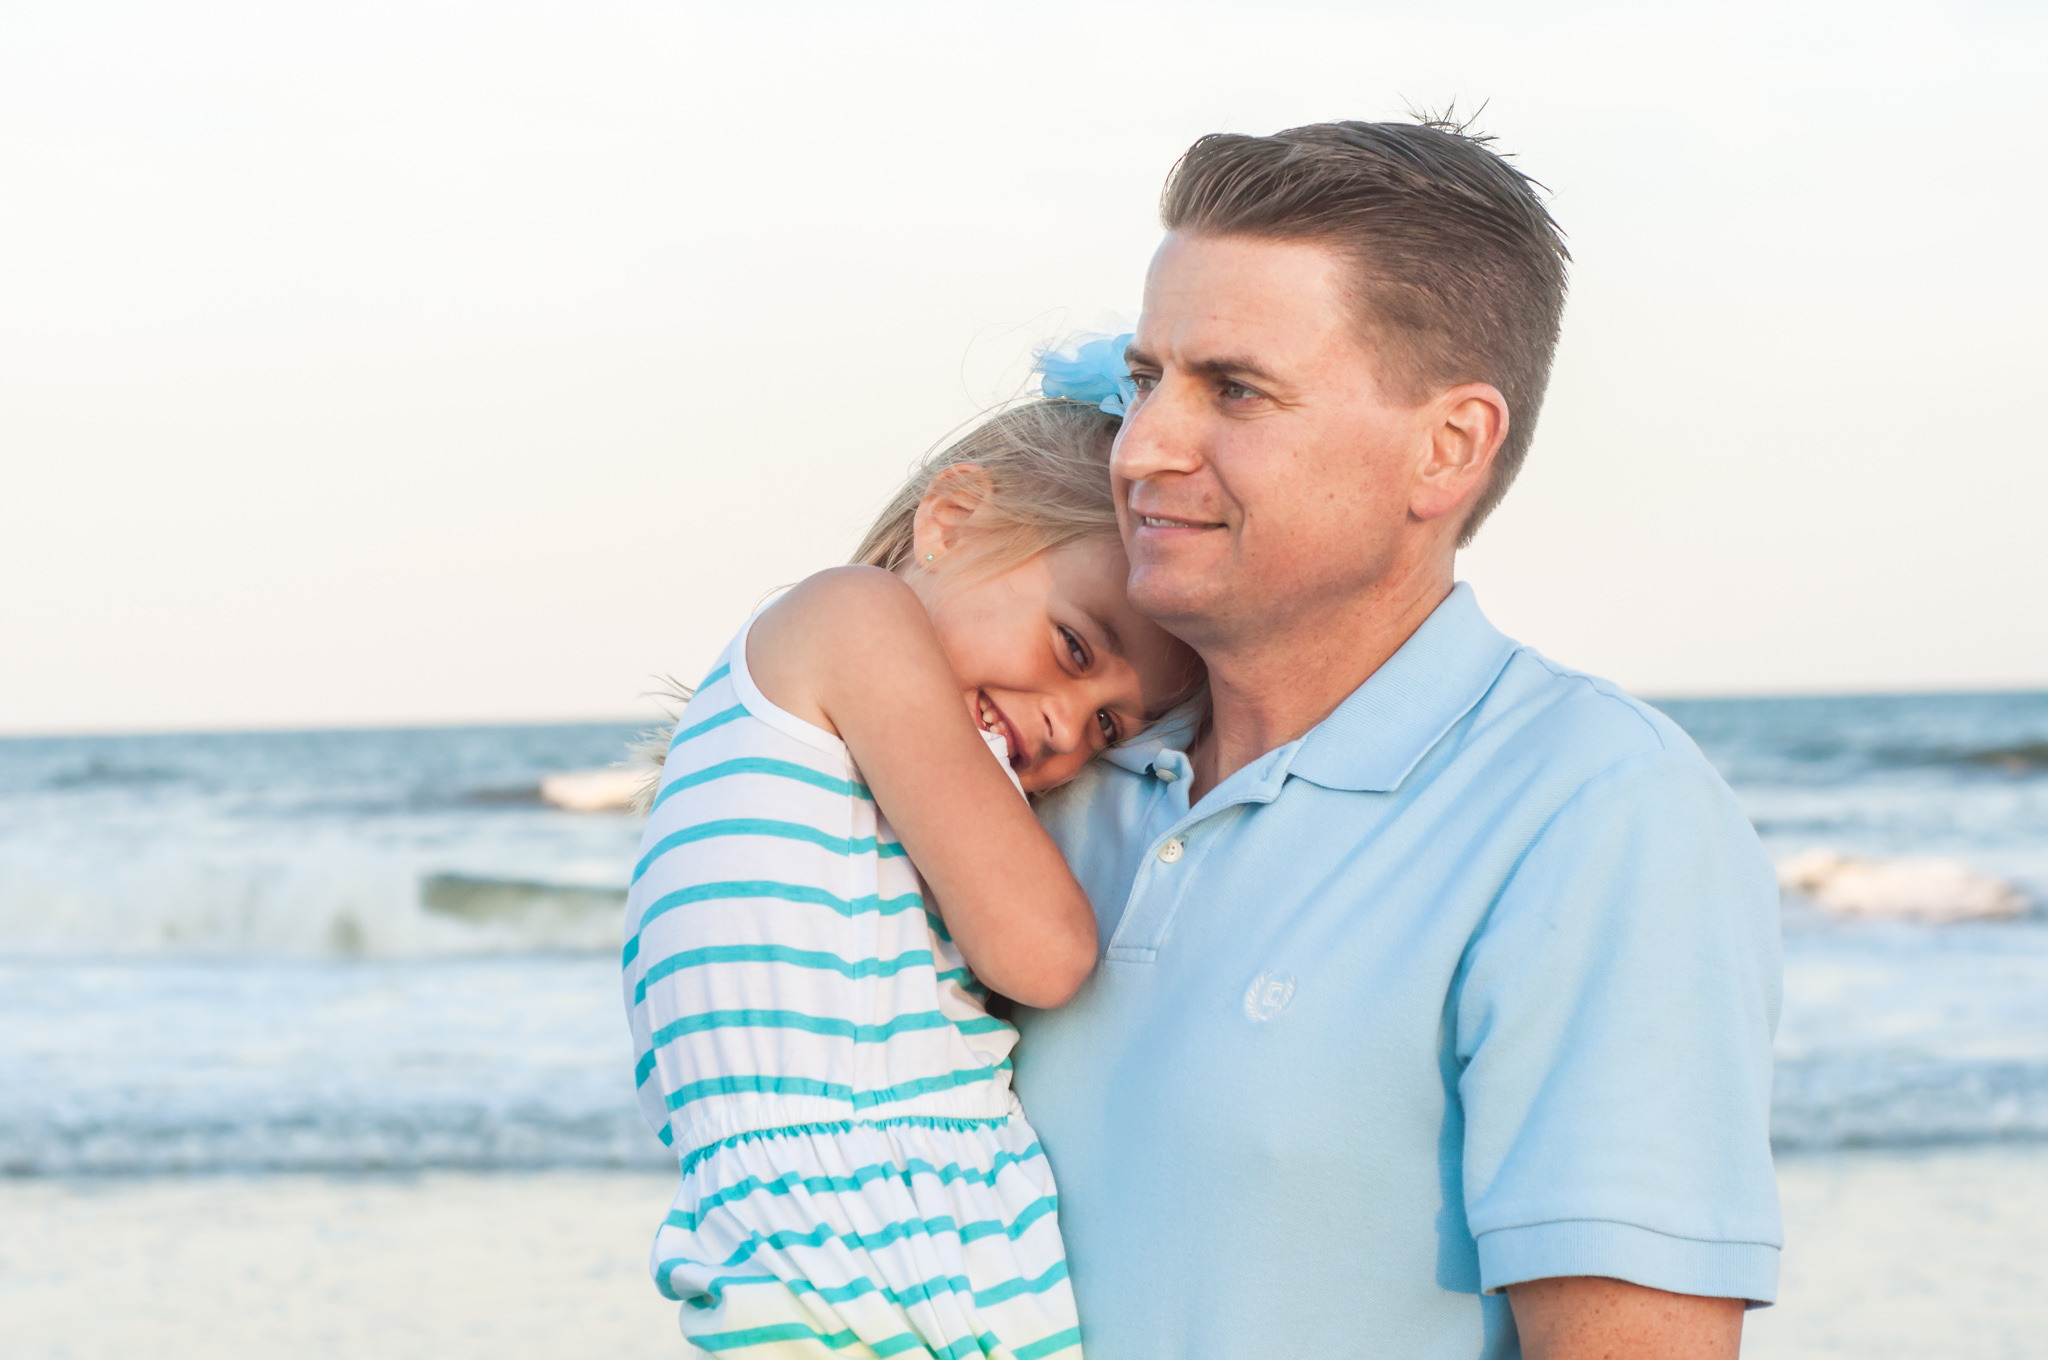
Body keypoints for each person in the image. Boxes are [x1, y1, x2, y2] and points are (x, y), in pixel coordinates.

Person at [1012, 119, 1783, 1359]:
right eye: (1142, 376)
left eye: (1234, 388)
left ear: (1447, 447)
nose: (1141, 445)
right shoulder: (1046, 778)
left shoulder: (1593, 812)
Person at [622, 387, 1201, 1358]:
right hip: (858, 1269)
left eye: (1110, 726)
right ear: (951, 519)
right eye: (1071, 645)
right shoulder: (850, 616)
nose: (1068, 723)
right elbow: (1043, 953)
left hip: (859, 1253)